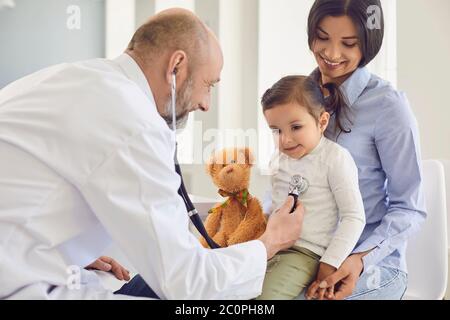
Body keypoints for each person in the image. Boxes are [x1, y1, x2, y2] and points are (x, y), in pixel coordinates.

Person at [0, 9, 304, 300]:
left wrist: (64, 255)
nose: (206, 104)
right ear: (176, 67)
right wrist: (269, 243)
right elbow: (188, 283)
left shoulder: (70, 78)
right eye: (208, 85)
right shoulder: (131, 120)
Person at [302, 0, 426, 300]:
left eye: (348, 43)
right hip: (308, 256)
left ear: (368, 44)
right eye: (322, 37)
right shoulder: (299, 96)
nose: (332, 54)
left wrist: (359, 259)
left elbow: (409, 208)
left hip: (371, 265)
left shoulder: (388, 105)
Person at [255, 75, 365, 300]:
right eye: (276, 130)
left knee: (265, 299)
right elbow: (275, 203)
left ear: (322, 122)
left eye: (295, 127)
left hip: (304, 252)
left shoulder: (335, 158)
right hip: (270, 246)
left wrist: (330, 262)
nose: (285, 140)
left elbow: (354, 217)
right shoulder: (280, 159)